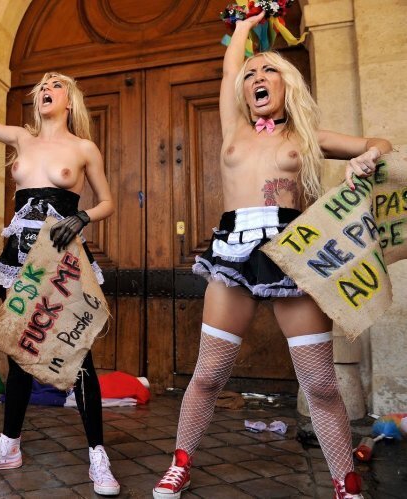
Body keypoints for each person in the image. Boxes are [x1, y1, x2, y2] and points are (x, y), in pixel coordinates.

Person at [152, 12, 391, 499]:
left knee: (320, 384)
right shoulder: (233, 128)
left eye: (270, 70)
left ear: (288, 84)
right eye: (251, 74)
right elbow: (229, 67)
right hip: (233, 252)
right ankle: (180, 464)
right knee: (209, 374)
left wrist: (368, 157)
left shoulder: (306, 137)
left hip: (292, 254)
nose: (257, 78)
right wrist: (244, 24)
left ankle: (345, 481)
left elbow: (379, 144)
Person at [0, 72, 120, 496]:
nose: (47, 89)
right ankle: (8, 444)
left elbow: (107, 201)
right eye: (42, 86)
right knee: (18, 348)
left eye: (56, 85)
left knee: (76, 353)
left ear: (70, 99)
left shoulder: (83, 148)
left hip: (61, 256)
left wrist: (82, 217)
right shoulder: (21, 138)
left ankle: (97, 454)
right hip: (20, 259)